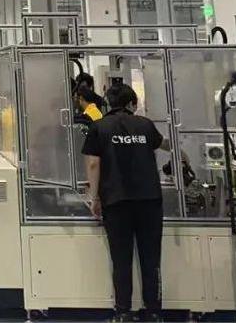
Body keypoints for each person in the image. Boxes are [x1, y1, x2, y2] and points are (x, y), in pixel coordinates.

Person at [81, 83, 165, 323]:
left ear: (108, 103)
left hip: (116, 201)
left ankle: (123, 312)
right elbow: (161, 144)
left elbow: (93, 164)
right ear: (132, 103)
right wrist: (181, 154)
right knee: (151, 259)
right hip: (149, 201)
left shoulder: (99, 127)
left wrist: (94, 197)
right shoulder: (145, 125)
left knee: (121, 260)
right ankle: (153, 311)